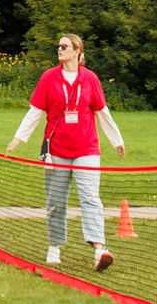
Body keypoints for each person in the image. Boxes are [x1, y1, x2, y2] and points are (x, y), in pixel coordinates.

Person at [8, 32, 125, 272]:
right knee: (56, 202)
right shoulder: (49, 78)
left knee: (91, 198)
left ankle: (99, 249)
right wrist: (19, 138)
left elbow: (102, 111)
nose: (59, 49)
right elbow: (35, 111)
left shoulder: (90, 79)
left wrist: (117, 140)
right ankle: (55, 246)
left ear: (77, 52)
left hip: (87, 148)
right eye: (58, 46)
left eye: (65, 46)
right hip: (57, 150)